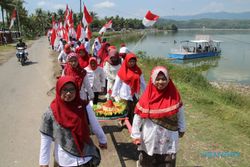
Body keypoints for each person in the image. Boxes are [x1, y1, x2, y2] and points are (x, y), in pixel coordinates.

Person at [39, 76, 107, 167]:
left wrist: (102, 140)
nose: (68, 93)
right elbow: (46, 137)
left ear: (77, 90)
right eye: (65, 90)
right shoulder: (50, 113)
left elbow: (95, 125)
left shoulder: (84, 106)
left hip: (85, 157)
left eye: (72, 89)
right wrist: (44, 162)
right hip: (65, 159)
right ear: (59, 90)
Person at [131, 66, 186, 167]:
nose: (161, 82)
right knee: (147, 160)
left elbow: (180, 113)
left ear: (168, 79)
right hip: (151, 136)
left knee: (168, 161)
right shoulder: (146, 98)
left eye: (164, 79)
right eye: (158, 79)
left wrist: (182, 128)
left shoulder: (174, 96)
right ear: (152, 80)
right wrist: (136, 135)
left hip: (169, 136)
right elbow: (137, 117)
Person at [112, 53, 146, 124]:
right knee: (124, 109)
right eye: (130, 61)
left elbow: (142, 82)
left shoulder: (138, 70)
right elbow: (117, 83)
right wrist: (114, 94)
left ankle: (131, 123)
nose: (132, 63)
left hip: (135, 94)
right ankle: (121, 121)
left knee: (133, 109)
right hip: (125, 94)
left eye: (133, 61)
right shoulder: (122, 71)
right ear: (127, 61)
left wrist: (146, 93)